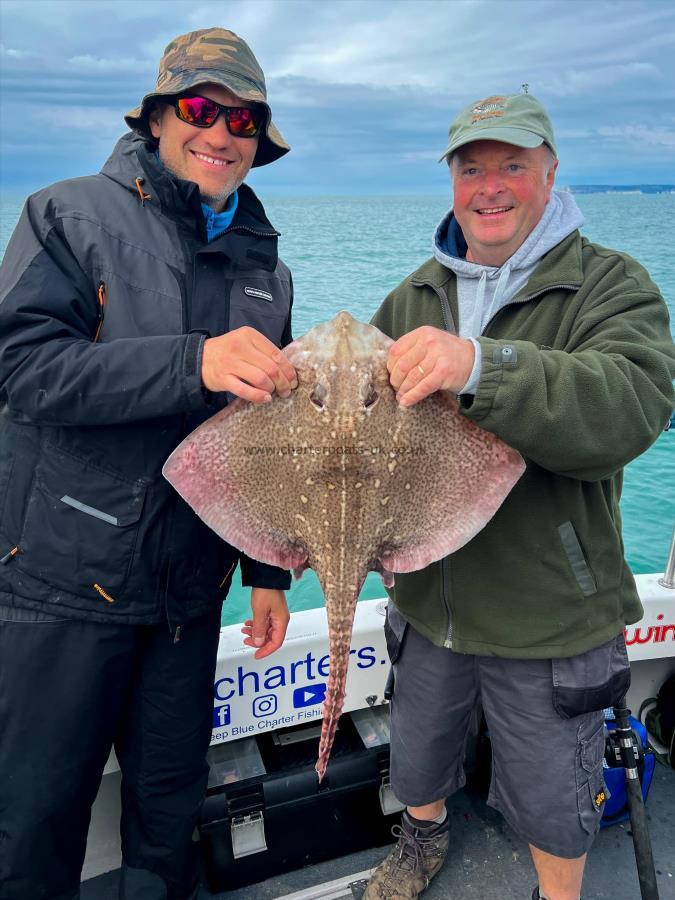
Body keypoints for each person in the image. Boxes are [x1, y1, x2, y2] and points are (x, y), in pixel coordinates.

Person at [0, 27, 298, 900]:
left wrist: (269, 567)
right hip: (60, 583)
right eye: (202, 109)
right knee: (36, 815)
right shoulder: (67, 214)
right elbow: (22, 369)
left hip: (187, 597)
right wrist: (191, 361)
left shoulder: (265, 269)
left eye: (242, 120)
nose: (221, 133)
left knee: (169, 814)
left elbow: (265, 436)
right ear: (162, 115)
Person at [365, 92, 675, 900]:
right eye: (472, 168)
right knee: (419, 750)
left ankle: (557, 894)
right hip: (431, 598)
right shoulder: (411, 297)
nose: (489, 186)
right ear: (451, 181)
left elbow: (629, 404)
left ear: (549, 171)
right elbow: (368, 441)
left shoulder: (607, 283)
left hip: (549, 606)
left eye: (511, 165)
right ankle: (420, 838)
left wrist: (480, 366)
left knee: (552, 791)